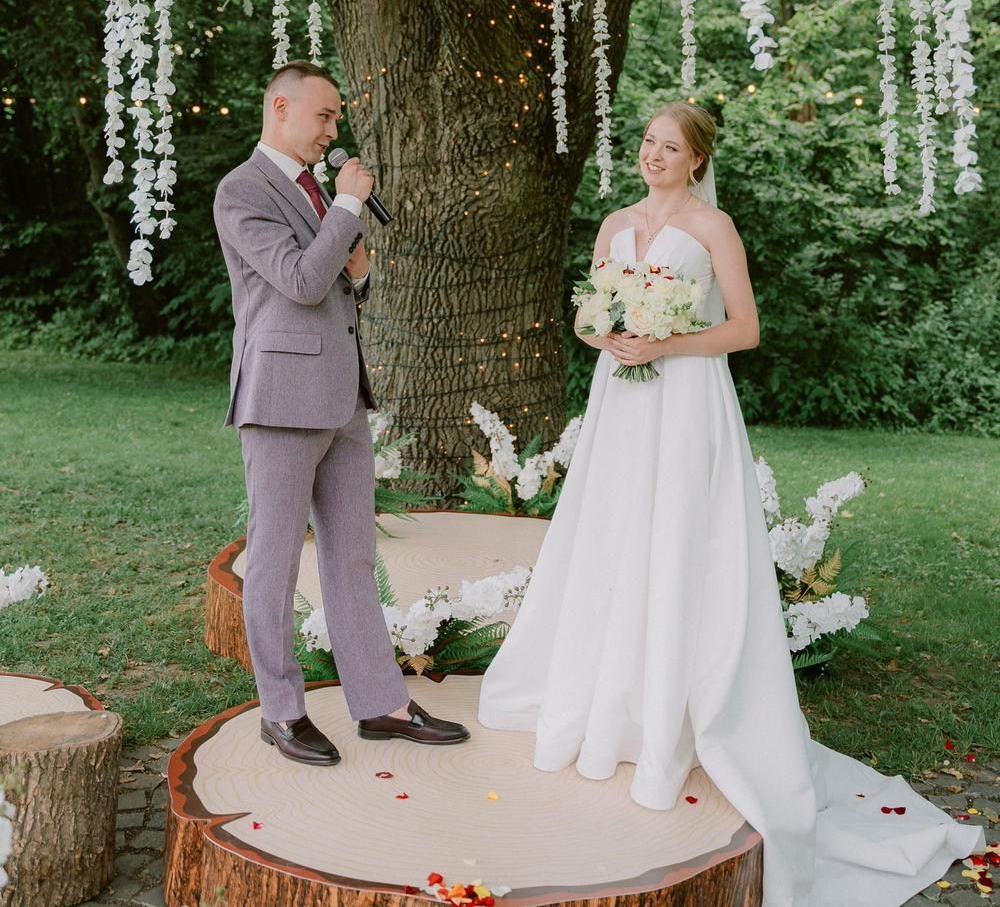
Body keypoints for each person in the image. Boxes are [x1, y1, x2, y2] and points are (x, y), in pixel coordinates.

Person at [478, 102, 982, 906]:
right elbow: (583, 314)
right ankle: (607, 701)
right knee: (612, 538)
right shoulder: (615, 222)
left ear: (697, 158)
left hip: (685, 405)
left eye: (669, 147)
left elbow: (744, 329)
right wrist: (606, 333)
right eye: (646, 142)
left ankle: (679, 708)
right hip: (622, 398)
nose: (653, 155)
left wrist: (666, 341)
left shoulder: (715, 230)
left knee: (676, 541)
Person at [214, 60, 468, 765]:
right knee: (272, 560)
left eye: (334, 118)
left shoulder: (312, 188)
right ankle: (282, 710)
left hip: (343, 397)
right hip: (281, 400)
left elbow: (328, 280)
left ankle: (381, 703)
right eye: (323, 116)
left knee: (354, 556)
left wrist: (360, 278)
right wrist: (348, 206)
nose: (333, 130)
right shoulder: (242, 190)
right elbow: (296, 281)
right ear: (280, 106)